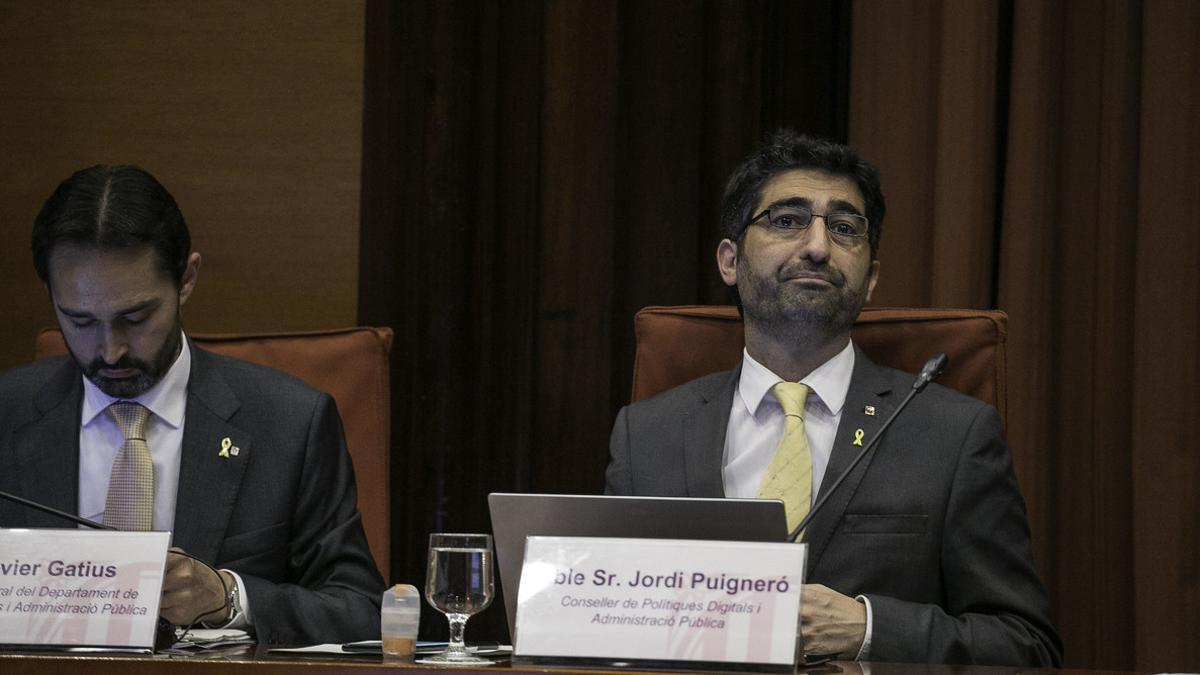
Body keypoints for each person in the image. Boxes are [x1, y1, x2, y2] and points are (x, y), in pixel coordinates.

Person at [604, 131, 1063, 666]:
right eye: (787, 220)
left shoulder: (954, 435)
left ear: (869, 279)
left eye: (844, 228)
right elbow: (607, 624)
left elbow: (1025, 646)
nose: (818, 246)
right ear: (729, 261)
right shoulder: (647, 434)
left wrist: (870, 627)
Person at [0, 165, 383, 644]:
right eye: (79, 320)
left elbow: (363, 610)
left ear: (186, 279)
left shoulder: (289, 424)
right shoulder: (7, 416)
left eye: (135, 318)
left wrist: (229, 597)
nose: (110, 349)